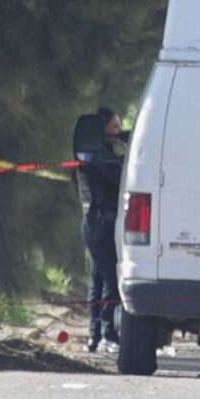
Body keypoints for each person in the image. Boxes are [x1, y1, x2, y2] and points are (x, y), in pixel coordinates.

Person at [75, 107, 125, 353]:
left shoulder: (96, 155)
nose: (119, 132)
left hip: (97, 223)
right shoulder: (96, 157)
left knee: (98, 279)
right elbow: (117, 178)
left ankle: (94, 336)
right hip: (100, 222)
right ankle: (108, 333)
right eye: (114, 127)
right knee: (110, 280)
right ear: (103, 130)